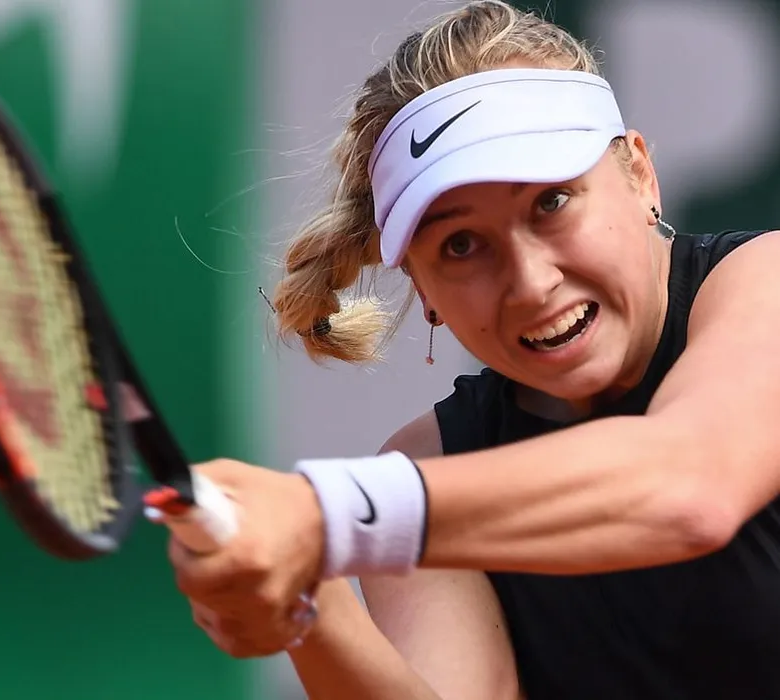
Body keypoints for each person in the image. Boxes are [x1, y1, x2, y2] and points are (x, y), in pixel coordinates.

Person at [158, 1, 780, 698]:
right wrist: (308, 604)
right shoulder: (422, 469)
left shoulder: (769, 282)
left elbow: (688, 489)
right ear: (420, 286)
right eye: (460, 245)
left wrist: (326, 516)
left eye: (552, 202)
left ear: (639, 175)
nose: (531, 282)